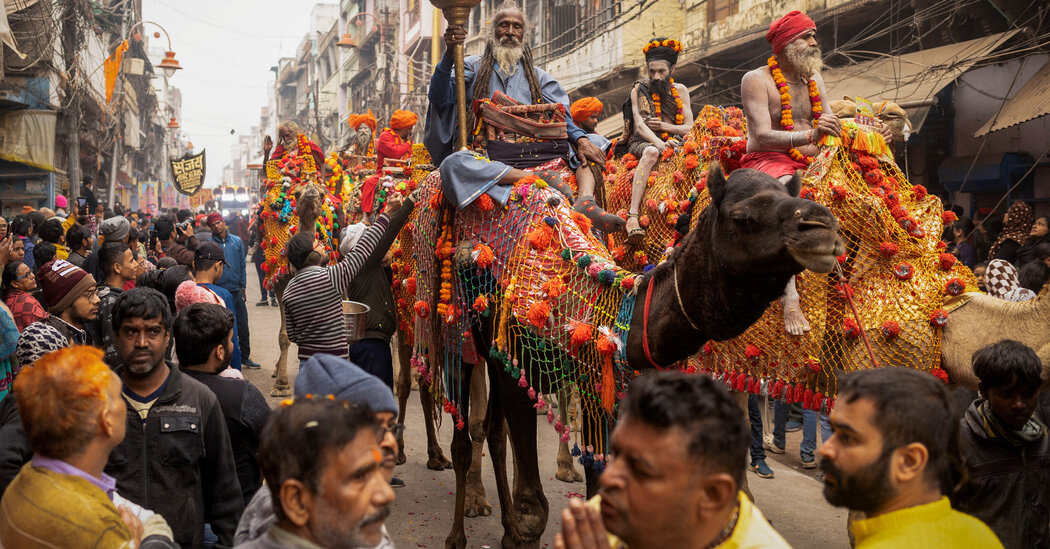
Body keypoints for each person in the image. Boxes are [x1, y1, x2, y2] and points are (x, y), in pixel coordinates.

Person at [740, 11, 892, 337]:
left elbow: (831, 125)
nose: (814, 42)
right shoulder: (756, 79)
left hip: (819, 160)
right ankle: (789, 296)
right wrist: (809, 136)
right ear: (785, 45)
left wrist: (871, 131)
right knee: (788, 199)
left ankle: (866, 286)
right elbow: (761, 135)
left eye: (813, 35)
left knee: (872, 202)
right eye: (805, 37)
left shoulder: (814, 79)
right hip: (770, 160)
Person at [554, 371, 790, 549]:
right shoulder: (604, 516)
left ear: (712, 495)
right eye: (617, 455)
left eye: (641, 469)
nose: (608, 477)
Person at [425, 2, 607, 212]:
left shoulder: (539, 78)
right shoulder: (471, 66)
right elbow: (439, 98)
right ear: (493, 31)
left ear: (524, 34)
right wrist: (449, 55)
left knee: (595, 142)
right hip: (488, 157)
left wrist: (582, 139)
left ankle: (585, 201)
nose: (510, 31)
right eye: (504, 25)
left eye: (517, 26)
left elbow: (562, 118)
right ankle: (534, 178)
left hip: (535, 153)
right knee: (453, 163)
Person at [105, 287, 244, 548]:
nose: (142, 342)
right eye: (131, 331)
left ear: (168, 337)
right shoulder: (96, 402)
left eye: (153, 331)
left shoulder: (199, 400)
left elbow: (226, 492)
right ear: (115, 337)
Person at [0, 346, 178, 548]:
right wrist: (134, 543)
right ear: (106, 420)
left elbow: (148, 519)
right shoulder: (100, 530)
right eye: (120, 396)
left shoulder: (25, 481)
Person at [818, 367, 1003, 548]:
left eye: (848, 438)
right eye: (833, 431)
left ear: (909, 461)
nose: (825, 449)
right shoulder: (980, 536)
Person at [235, 354, 404, 545]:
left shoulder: (360, 517)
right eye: (359, 476)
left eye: (391, 426)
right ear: (296, 500)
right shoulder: (275, 514)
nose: (389, 440)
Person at [283, 193, 406, 364]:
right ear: (310, 256)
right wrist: (387, 212)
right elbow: (364, 248)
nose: (323, 248)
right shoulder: (331, 278)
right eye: (317, 246)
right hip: (334, 366)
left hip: (307, 366)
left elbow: (293, 335)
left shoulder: (288, 291)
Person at [952, 340, 1049, 549]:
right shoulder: (956, 443)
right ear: (984, 392)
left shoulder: (1043, 440)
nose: (1019, 404)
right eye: (1007, 395)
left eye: (1028, 394)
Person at [175, 303, 270, 506]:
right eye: (230, 341)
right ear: (219, 352)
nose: (232, 346)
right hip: (237, 512)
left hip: (185, 513)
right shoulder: (242, 394)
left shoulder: (164, 391)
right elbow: (274, 441)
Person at [621, 38, 694, 243]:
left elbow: (690, 127)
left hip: (674, 141)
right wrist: (660, 144)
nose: (656, 76)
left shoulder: (681, 91)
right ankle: (632, 216)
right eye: (652, 71)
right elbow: (640, 125)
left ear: (672, 68)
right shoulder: (638, 89)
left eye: (661, 71)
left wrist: (665, 128)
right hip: (643, 141)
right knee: (651, 152)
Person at [343, 189, 415, 388]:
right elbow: (389, 233)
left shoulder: (367, 267)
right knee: (375, 406)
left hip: (374, 343)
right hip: (371, 346)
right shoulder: (363, 263)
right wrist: (409, 201)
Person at [207, 212, 256, 368]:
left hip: (235, 290)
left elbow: (242, 265)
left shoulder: (236, 242)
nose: (217, 226)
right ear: (210, 228)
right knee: (223, 327)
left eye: (218, 223)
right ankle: (224, 359)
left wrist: (243, 286)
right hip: (219, 291)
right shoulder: (210, 245)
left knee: (242, 324)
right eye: (213, 225)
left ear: (223, 222)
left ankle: (245, 357)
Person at [569, 96, 623, 232]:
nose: (596, 121)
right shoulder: (588, 138)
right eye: (592, 117)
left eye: (596, 117)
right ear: (581, 117)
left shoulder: (593, 135)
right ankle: (584, 200)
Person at [19, 259, 99, 349]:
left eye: (95, 292)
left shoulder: (78, 333)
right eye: (89, 294)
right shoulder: (52, 344)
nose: (97, 300)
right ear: (65, 302)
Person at [194, 241, 244, 370]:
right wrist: (236, 373)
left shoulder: (184, 291)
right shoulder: (223, 295)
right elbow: (232, 340)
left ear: (194, 265)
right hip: (218, 367)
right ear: (218, 266)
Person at [360, 110, 417, 221]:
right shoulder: (385, 136)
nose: (411, 131)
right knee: (369, 182)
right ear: (403, 127)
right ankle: (365, 216)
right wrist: (408, 143)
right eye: (409, 128)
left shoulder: (407, 140)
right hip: (384, 173)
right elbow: (396, 153)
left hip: (405, 174)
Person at [94, 242, 138, 358]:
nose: (136, 264)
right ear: (117, 268)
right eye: (131, 261)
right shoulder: (111, 302)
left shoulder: (104, 292)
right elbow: (113, 351)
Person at [2, 261, 46, 332]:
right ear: (14, 284)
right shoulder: (27, 304)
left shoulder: (9, 298)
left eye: (30, 271)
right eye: (27, 275)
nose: (33, 276)